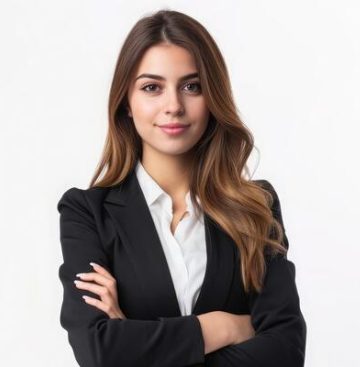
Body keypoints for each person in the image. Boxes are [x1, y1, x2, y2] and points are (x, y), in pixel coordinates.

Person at [57, 9, 306, 367]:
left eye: (192, 86)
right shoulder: (87, 214)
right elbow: (99, 351)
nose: (173, 106)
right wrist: (222, 327)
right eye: (151, 87)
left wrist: (134, 336)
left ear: (213, 97)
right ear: (127, 101)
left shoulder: (257, 206)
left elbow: (285, 352)